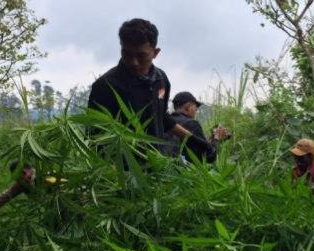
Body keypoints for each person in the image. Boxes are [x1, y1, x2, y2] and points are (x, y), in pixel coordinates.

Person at [87, 19, 210, 158]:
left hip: (156, 163)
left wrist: (194, 141)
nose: (134, 62)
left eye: (141, 56)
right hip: (122, 171)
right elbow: (95, 137)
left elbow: (161, 116)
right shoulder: (106, 86)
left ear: (155, 53)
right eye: (127, 53)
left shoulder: (161, 80)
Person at [170, 91, 231, 163]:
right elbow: (210, 157)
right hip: (185, 171)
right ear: (188, 107)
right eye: (195, 106)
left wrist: (212, 139)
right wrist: (217, 138)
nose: (196, 110)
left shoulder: (166, 122)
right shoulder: (191, 124)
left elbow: (199, 146)